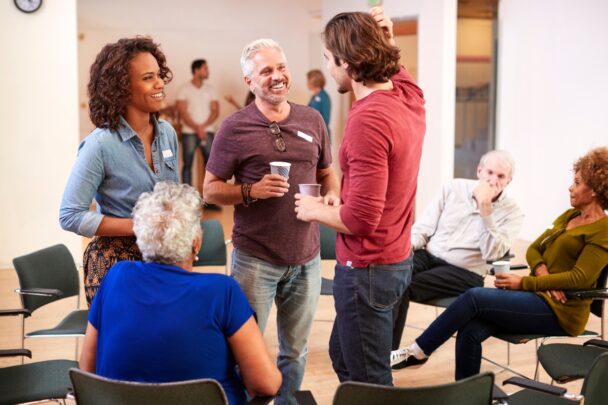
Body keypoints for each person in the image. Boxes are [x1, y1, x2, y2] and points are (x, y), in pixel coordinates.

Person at [392, 146, 608, 380]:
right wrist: (542, 272)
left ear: (595, 190)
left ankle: (418, 352)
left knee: (474, 296)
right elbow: (534, 249)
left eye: (576, 182)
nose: (570, 187)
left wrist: (525, 282)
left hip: (560, 311)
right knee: (471, 328)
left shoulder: (603, 230)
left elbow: (580, 278)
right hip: (538, 296)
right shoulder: (570, 217)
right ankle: (470, 393)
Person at [203, 38, 340, 405]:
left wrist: (330, 194)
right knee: (244, 353)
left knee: (295, 353)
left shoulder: (312, 119)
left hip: (306, 258)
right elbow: (209, 191)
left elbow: (328, 172)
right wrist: (251, 191)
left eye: (281, 68)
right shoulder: (234, 128)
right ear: (250, 82)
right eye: (266, 71)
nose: (277, 77)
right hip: (254, 261)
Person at [294, 8, 425, 385]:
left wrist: (314, 208)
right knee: (344, 355)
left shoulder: (368, 118)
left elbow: (362, 220)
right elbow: (401, 75)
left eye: (328, 60)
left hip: (369, 268)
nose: (329, 68)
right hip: (396, 261)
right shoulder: (408, 98)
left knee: (369, 381)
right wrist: (386, 40)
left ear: (346, 62)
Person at [79, 182, 282, 405]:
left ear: (141, 237)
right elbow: (266, 384)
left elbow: (88, 370)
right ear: (196, 243)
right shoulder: (222, 292)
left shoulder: (116, 277)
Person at [59, 37, 179, 305]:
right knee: (126, 345)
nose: (160, 83)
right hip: (116, 262)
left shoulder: (168, 134)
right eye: (148, 78)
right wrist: (139, 225)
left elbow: (175, 197)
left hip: (163, 256)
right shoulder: (99, 145)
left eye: (159, 75)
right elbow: (70, 215)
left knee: (165, 343)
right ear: (121, 88)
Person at [391, 150, 524, 363]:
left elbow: (492, 254)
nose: (493, 180)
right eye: (489, 172)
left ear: (508, 181)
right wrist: (402, 251)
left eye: (501, 176)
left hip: (465, 272)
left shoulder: (513, 212)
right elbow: (423, 229)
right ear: (479, 171)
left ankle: (386, 357)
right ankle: (375, 350)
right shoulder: (453, 188)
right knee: (393, 275)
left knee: (405, 285)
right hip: (429, 255)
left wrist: (485, 209)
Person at [176, 59, 219, 191]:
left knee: (210, 167)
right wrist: (197, 128)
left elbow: (215, 111)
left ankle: (209, 199)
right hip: (189, 132)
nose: (208, 71)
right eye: (205, 68)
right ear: (196, 70)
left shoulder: (210, 89)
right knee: (187, 165)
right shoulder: (183, 89)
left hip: (208, 132)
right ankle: (188, 199)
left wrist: (202, 127)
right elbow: (182, 111)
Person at [306, 69, 331, 140]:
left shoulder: (324, 97)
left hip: (322, 136)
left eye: (308, 80)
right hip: (314, 134)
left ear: (313, 81)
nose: (307, 83)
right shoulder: (314, 96)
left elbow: (325, 120)